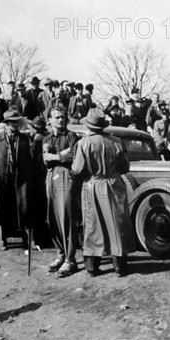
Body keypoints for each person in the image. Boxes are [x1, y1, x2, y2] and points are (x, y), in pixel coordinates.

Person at [72, 109, 136, 277]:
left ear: (89, 126)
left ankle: (92, 268)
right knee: (117, 224)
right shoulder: (116, 141)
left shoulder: (84, 143)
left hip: (94, 185)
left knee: (93, 225)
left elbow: (77, 170)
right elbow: (125, 167)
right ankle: (120, 266)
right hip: (115, 185)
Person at [42, 107, 80, 277]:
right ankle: (60, 253)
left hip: (66, 177)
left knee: (67, 216)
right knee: (53, 218)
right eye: (57, 117)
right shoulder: (47, 138)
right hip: (51, 177)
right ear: (49, 120)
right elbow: (45, 159)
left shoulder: (71, 136)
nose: (61, 120)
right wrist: (60, 155)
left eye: (63, 117)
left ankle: (71, 260)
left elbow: (73, 155)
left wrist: (54, 156)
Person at [0, 109, 32, 250]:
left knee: (23, 208)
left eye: (17, 121)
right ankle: (1, 240)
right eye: (12, 122)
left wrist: (27, 175)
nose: (15, 124)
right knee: (1, 208)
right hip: (1, 179)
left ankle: (27, 240)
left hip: (19, 180)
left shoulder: (24, 138)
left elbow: (29, 160)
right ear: (6, 123)